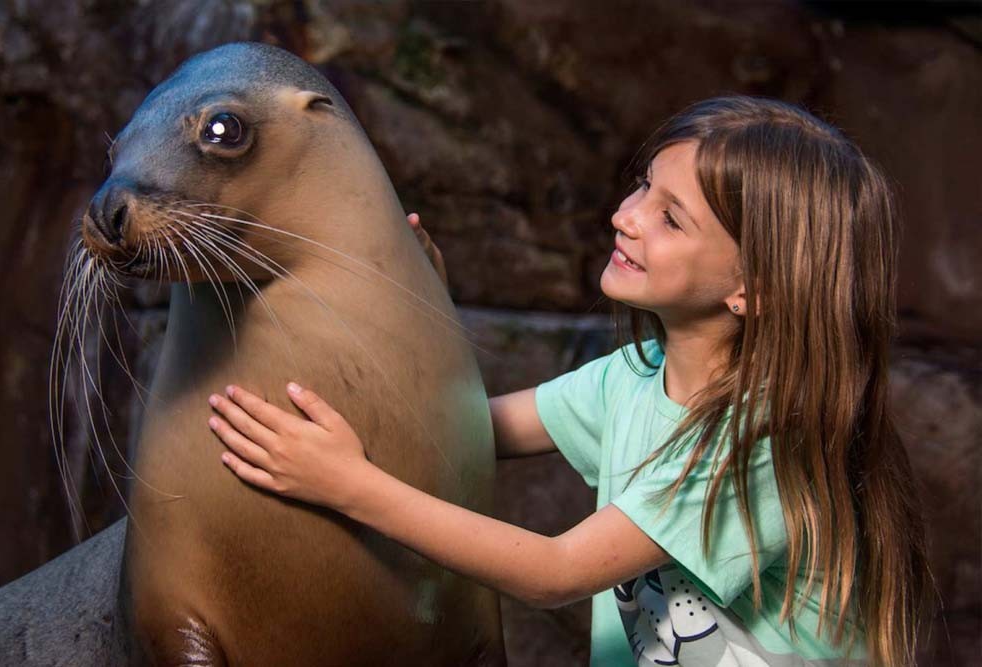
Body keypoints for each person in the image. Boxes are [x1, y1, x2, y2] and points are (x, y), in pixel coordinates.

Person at [204, 96, 932, 666]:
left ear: (754, 287)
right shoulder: (634, 378)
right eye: (643, 187)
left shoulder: (761, 440)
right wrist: (415, 297)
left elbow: (555, 570)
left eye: (670, 218)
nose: (625, 216)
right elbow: (456, 431)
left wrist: (350, 485)